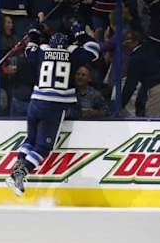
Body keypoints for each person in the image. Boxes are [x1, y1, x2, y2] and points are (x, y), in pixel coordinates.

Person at [5, 32, 99, 196]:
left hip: (35, 102)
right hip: (54, 105)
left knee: (31, 139)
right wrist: (82, 34)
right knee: (43, 146)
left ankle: (17, 167)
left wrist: (34, 33)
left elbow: (29, 49)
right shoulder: (73, 52)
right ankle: (19, 174)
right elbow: (94, 50)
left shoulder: (42, 50)